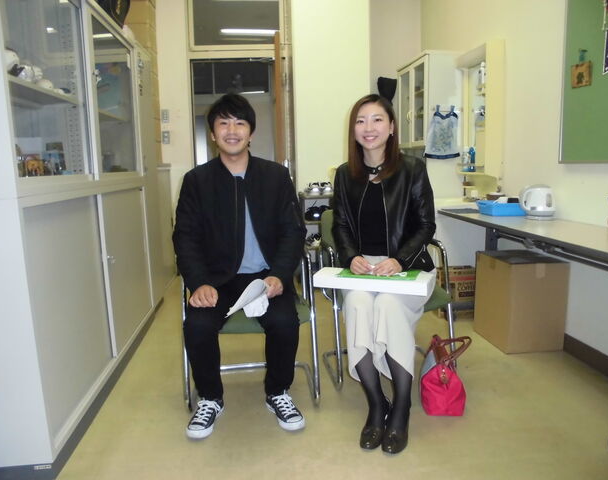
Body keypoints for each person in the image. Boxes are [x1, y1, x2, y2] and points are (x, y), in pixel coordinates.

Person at [173, 93, 307, 439]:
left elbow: (293, 232)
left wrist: (279, 275)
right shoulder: (197, 181)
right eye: (223, 123)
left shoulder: (276, 176)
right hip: (217, 279)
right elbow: (185, 238)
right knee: (197, 326)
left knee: (285, 322)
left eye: (240, 123)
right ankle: (210, 398)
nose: (232, 130)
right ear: (213, 134)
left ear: (251, 132)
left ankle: (277, 391)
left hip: (266, 278)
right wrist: (198, 282)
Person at [331, 94, 436, 454]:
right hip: (363, 269)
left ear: (391, 127)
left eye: (377, 119)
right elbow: (340, 226)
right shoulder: (345, 174)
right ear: (353, 130)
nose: (369, 128)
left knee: (388, 306)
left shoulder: (413, 169)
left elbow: (426, 225)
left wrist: (400, 260)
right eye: (361, 121)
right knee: (358, 305)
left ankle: (402, 407)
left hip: (408, 267)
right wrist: (351, 257)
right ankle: (377, 404)